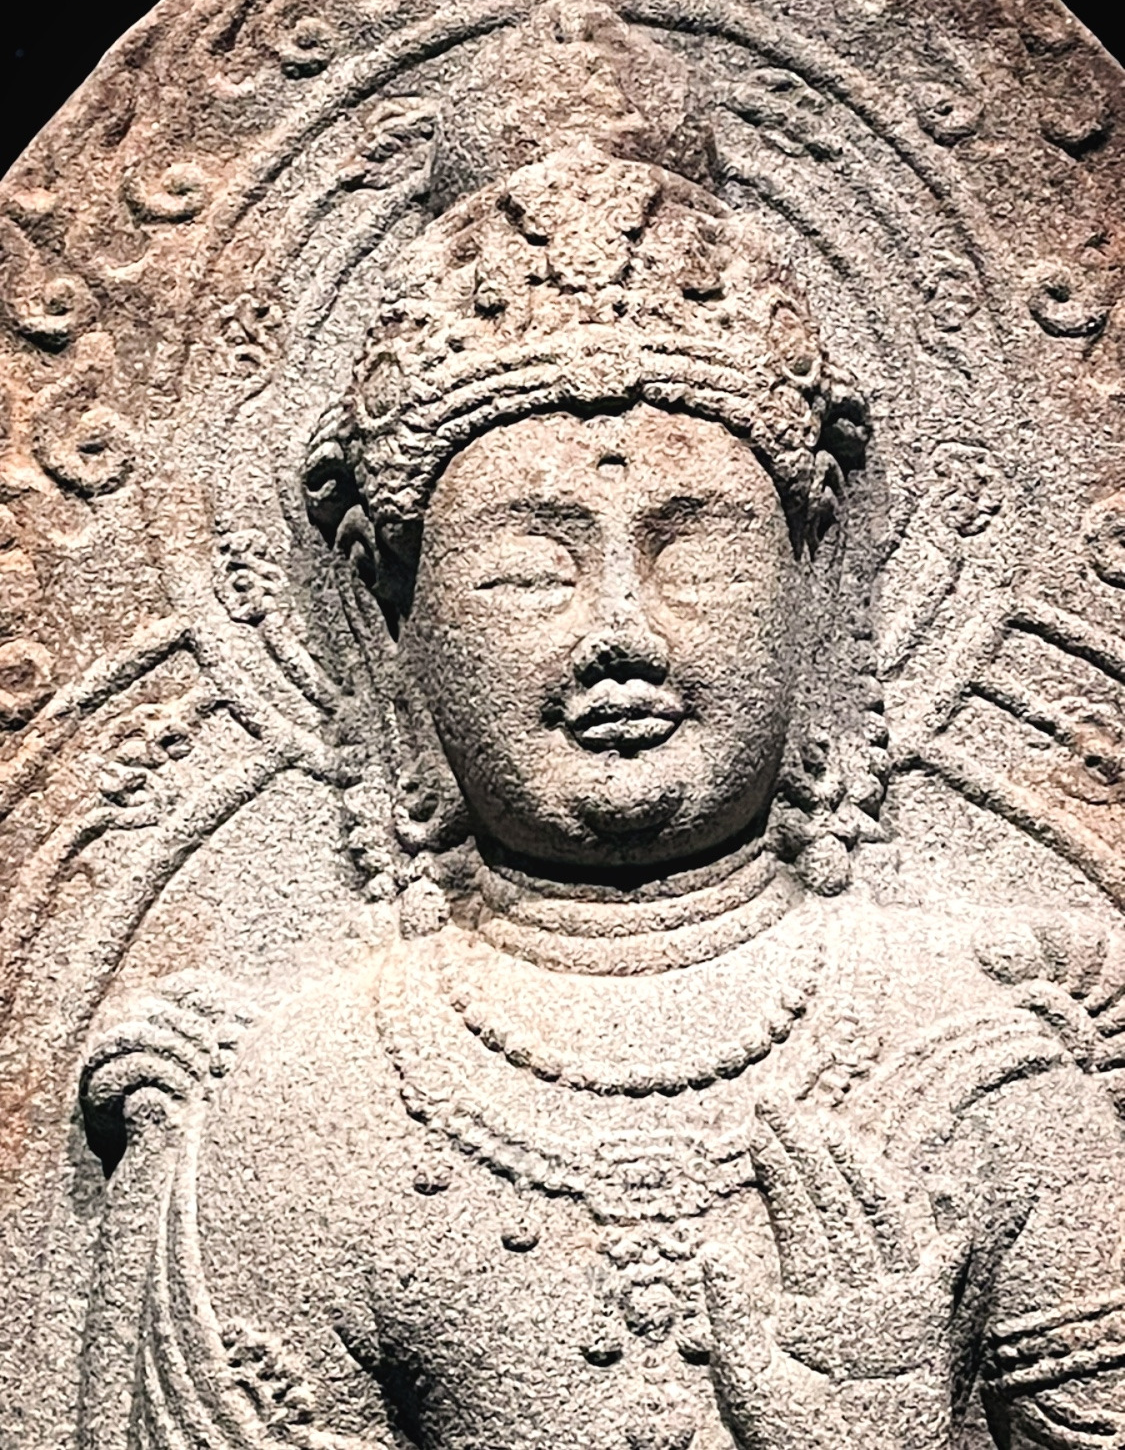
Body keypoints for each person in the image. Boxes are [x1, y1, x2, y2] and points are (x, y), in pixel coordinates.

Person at [79, 142, 1125, 1450]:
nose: (620, 631)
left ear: (814, 593)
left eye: (699, 557)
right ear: (396, 629)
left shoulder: (978, 1059)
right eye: (527, 571)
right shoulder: (297, 1110)